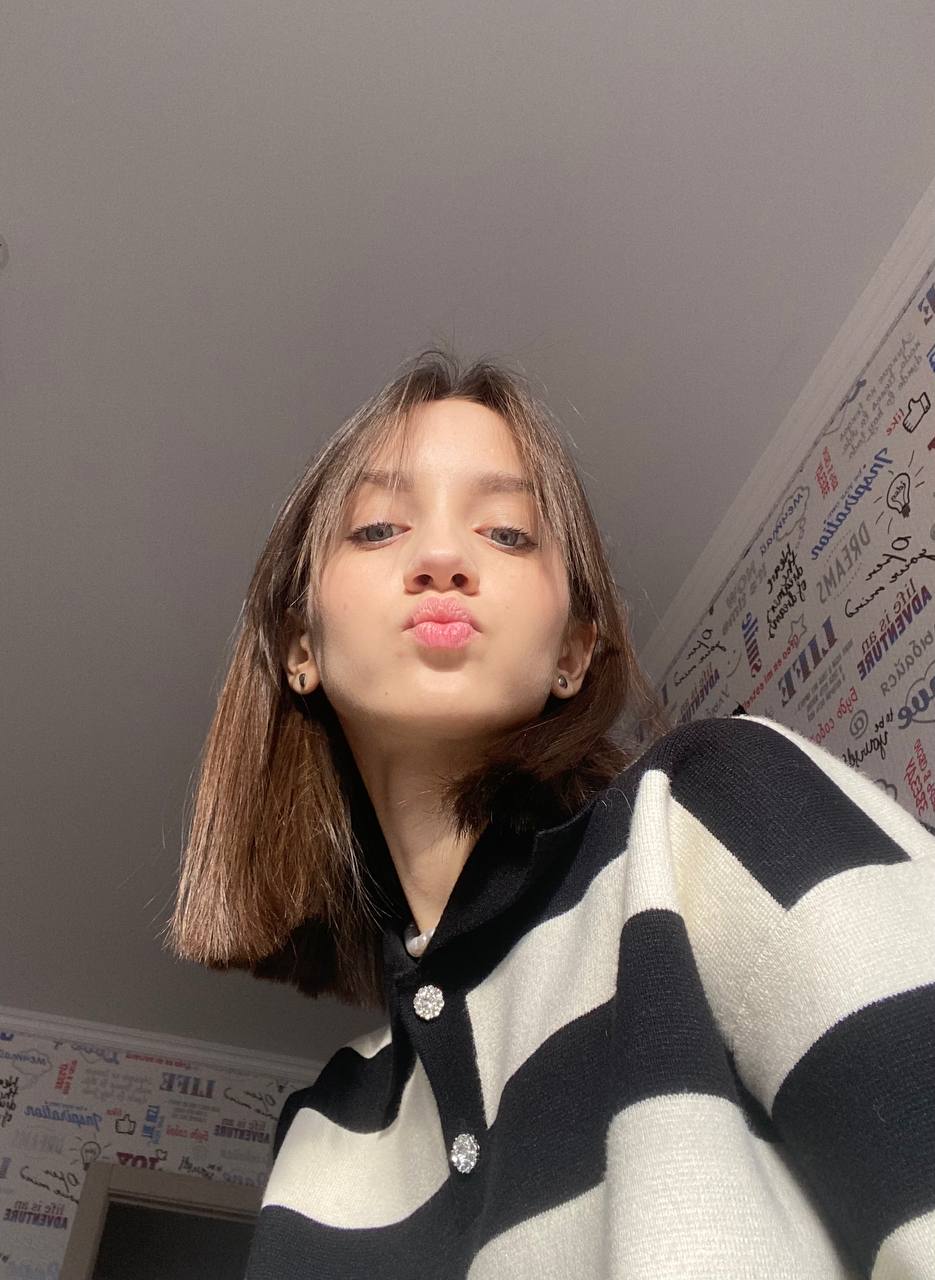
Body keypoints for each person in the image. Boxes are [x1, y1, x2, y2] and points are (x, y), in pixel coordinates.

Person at [167, 348, 935, 1278]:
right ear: (300, 647)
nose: (441, 558)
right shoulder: (323, 1131)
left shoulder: (713, 813)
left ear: (572, 653)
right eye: (376, 528)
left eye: (506, 533)